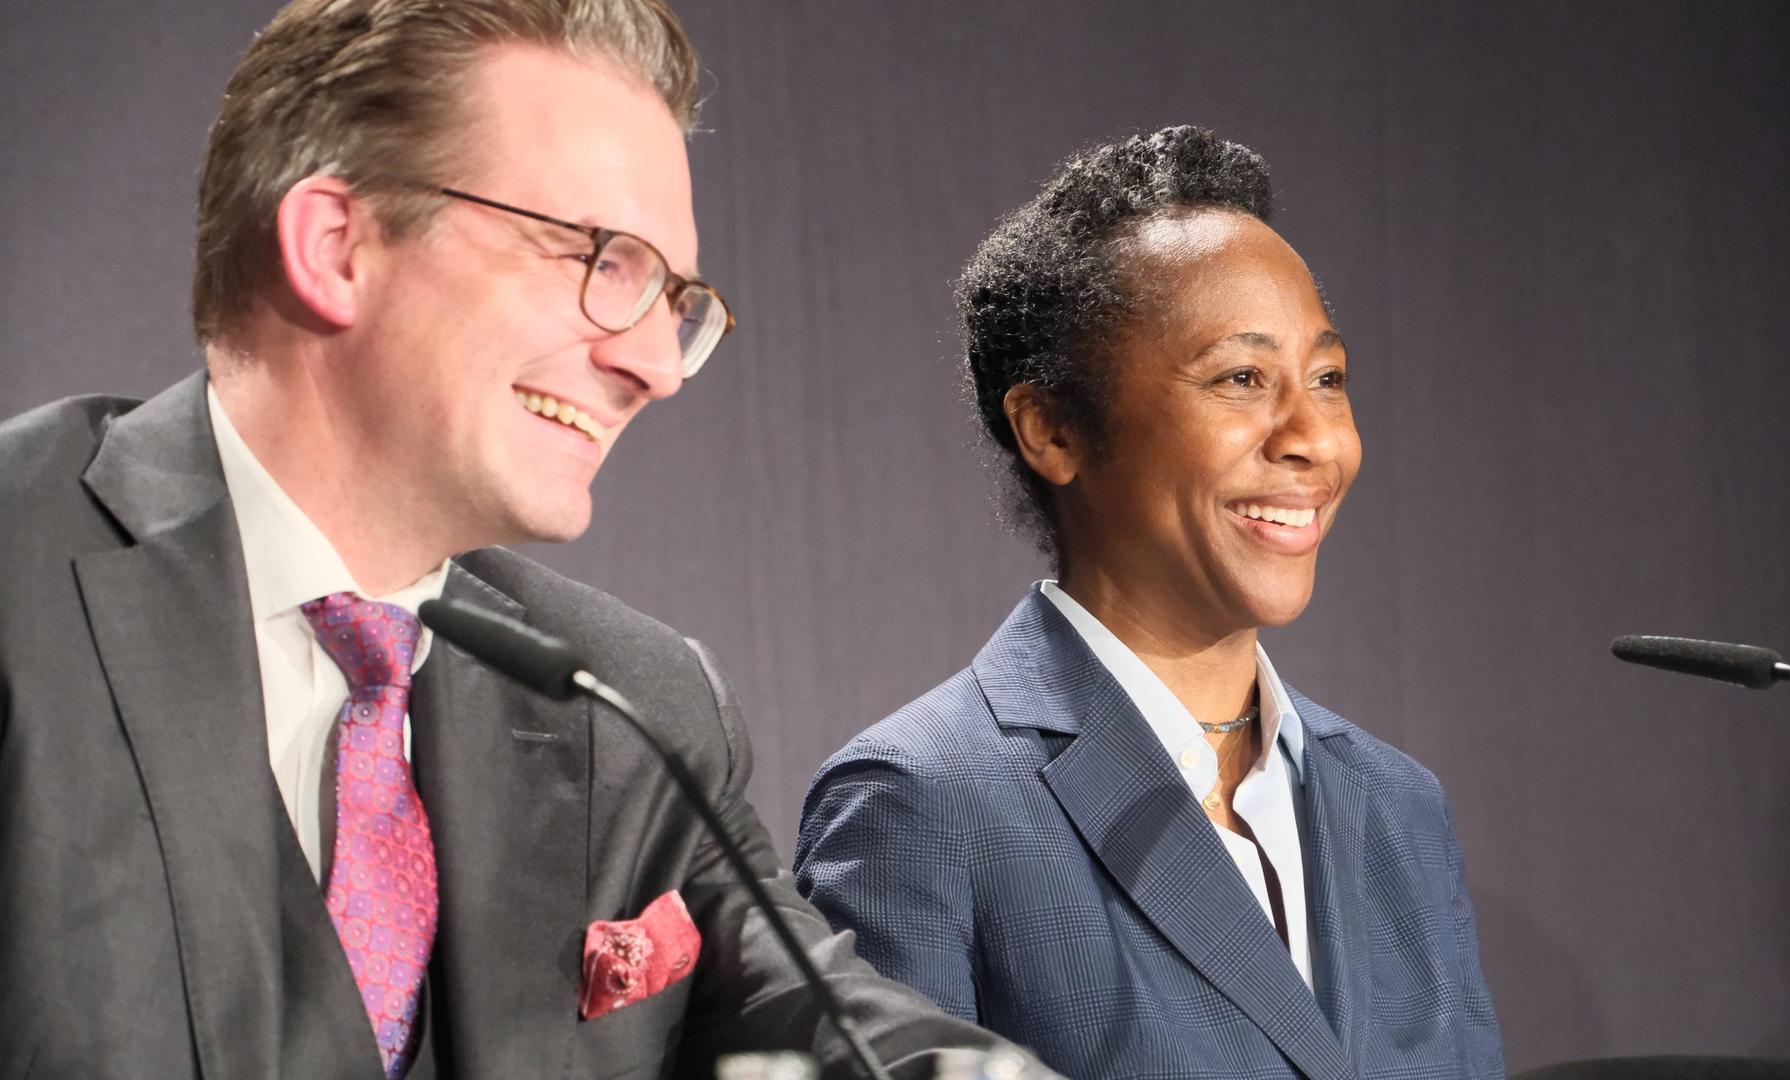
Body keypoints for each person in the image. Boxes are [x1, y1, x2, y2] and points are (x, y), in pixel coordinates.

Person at [0, 2, 1027, 1077]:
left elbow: (831, 1025)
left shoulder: (633, 709)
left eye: (672, 300)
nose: (658, 368)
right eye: (605, 260)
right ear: (336, 247)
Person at [794, 126, 1504, 1080]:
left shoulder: (1398, 810)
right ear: (1050, 428)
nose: (1311, 438)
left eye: (1328, 380)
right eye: (1241, 378)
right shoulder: (925, 802)